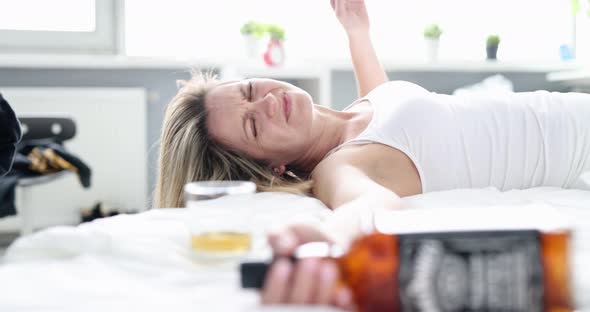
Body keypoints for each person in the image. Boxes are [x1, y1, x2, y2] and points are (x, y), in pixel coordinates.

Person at [154, 0, 590, 309]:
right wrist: (330, 241)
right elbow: (369, 205)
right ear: (270, 166)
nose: (265, 102)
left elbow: (382, 99)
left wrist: (356, 29)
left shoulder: (358, 112)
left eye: (249, 90)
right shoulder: (340, 167)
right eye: (252, 124)